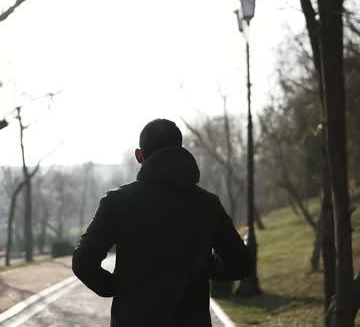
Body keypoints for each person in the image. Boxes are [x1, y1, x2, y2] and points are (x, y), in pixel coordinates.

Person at [72, 118, 252, 327]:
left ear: (139, 156)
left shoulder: (118, 202)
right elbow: (241, 263)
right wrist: (206, 265)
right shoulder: (207, 204)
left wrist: (117, 287)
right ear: (180, 151)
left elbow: (83, 261)